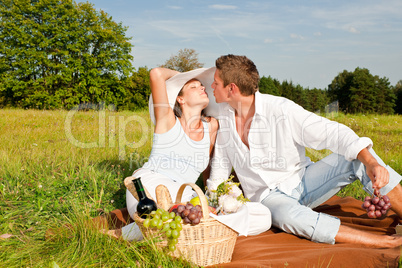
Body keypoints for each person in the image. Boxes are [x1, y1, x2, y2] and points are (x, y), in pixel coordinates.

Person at [207, 54, 402, 248]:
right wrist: (212, 203)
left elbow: (333, 133)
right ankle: (383, 241)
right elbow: (220, 167)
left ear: (231, 88)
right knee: (287, 216)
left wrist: (371, 162)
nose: (212, 87)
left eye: (215, 83)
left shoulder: (281, 110)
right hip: (267, 198)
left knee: (358, 157)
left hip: (303, 180)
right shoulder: (224, 118)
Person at [109, 67, 271, 240]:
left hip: (185, 194)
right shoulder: (167, 120)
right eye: (194, 87)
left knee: (264, 216)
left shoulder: (212, 126)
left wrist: (212, 196)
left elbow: (207, 167)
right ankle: (127, 233)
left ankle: (156, 231)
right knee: (161, 217)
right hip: (150, 185)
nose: (202, 88)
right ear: (180, 99)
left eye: (203, 86)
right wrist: (181, 77)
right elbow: (156, 73)